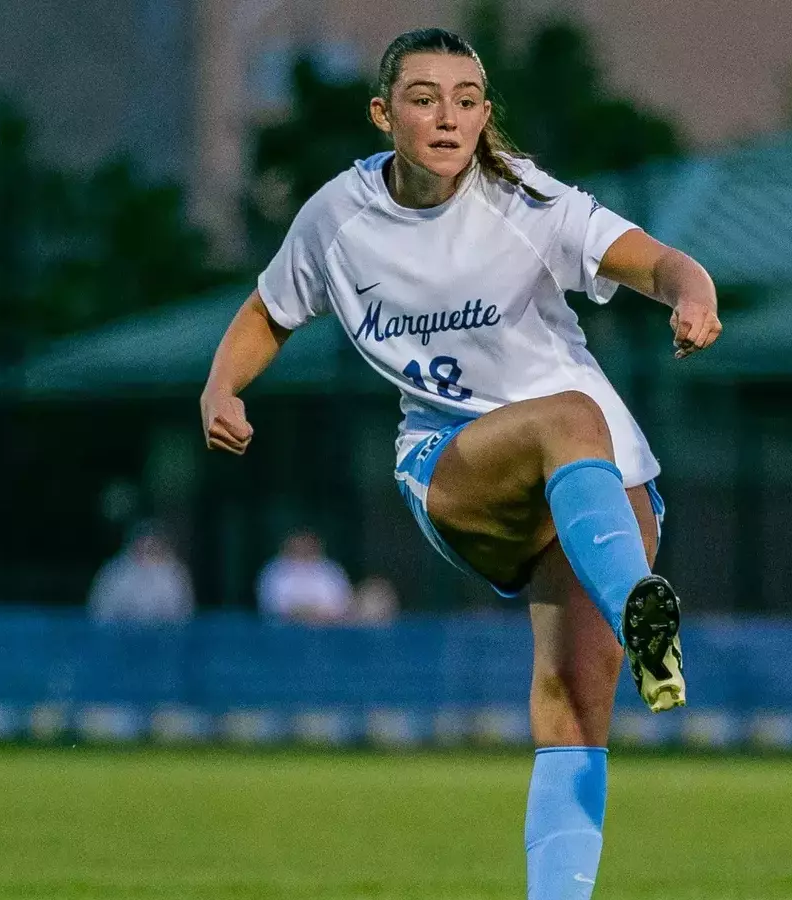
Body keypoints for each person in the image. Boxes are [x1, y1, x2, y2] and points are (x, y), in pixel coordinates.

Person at [199, 28, 720, 899]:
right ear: (383, 114)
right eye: (425, 98)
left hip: (602, 483)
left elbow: (662, 263)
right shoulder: (337, 216)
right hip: (456, 464)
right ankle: (638, 605)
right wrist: (221, 386)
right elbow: (268, 309)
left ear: (484, 116)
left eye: (467, 100)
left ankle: (564, 875)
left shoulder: (528, 200)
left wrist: (693, 297)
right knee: (569, 415)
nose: (448, 117)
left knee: (572, 709)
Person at [87, 522, 195, 624]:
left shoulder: (175, 573)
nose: (146, 550)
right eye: (141, 545)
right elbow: (100, 612)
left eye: (152, 546)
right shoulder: (114, 573)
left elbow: (183, 613)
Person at [256, 529, 352, 625]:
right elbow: (273, 605)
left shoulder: (331, 570)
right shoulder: (274, 571)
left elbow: (340, 605)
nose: (303, 548)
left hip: (324, 627)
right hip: (284, 627)